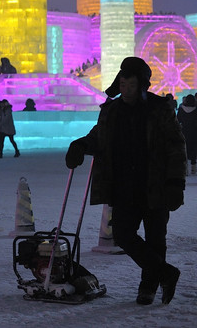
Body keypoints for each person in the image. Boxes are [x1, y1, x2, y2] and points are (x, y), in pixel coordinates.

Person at [65, 56, 186, 306]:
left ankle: (148, 287)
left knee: (155, 239)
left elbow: (176, 146)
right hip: (124, 185)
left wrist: (176, 183)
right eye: (122, 85)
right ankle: (166, 273)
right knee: (122, 233)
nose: (125, 90)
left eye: (130, 86)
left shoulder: (159, 109)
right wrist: (80, 145)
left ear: (142, 85)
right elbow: (99, 136)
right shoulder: (112, 110)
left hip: (155, 184)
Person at [176, 94, 197, 175]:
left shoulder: (181, 110)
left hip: (184, 131)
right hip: (194, 132)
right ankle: (193, 168)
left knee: (185, 150)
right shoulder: (196, 110)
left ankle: (185, 169)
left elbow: (178, 120)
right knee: (193, 150)